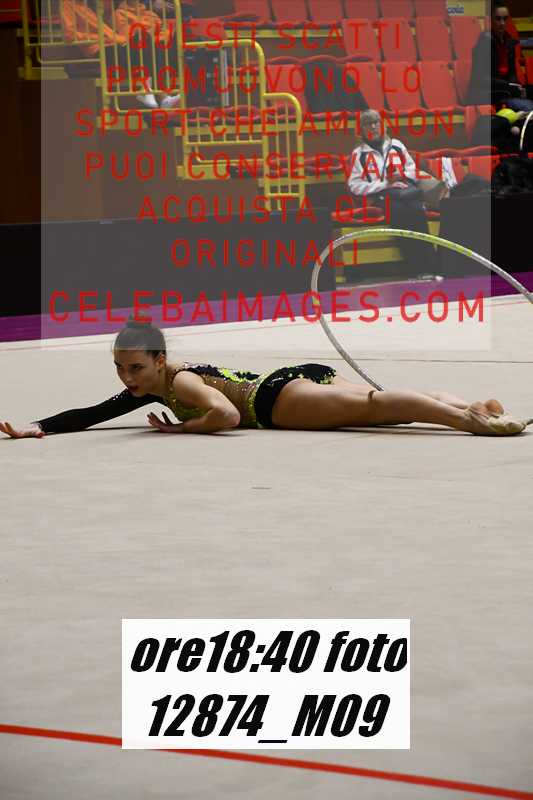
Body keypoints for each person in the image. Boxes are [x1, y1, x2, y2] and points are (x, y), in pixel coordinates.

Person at [1, 318, 531, 439]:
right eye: (120, 368)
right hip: (289, 381)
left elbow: (226, 414)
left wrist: (182, 429)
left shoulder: (180, 384)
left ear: (160, 360)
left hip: (274, 401)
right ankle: (472, 404)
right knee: (381, 401)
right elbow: (96, 412)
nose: (127, 377)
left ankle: (470, 422)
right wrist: (38, 426)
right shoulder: (156, 383)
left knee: (377, 406)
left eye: (135, 367)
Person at [347, 109, 440, 279]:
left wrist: (401, 175)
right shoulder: (358, 154)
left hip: (405, 191)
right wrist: (384, 184)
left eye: (376, 122)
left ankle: (432, 266)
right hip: (381, 197)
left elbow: (412, 169)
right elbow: (355, 185)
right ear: (361, 130)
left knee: (417, 210)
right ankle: (414, 268)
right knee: (399, 211)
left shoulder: (397, 145)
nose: (373, 127)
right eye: (368, 124)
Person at [467, 3, 533, 111]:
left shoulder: (509, 42)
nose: (502, 23)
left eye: (505, 19)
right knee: (527, 106)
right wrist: (509, 86)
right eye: (498, 19)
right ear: (491, 20)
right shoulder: (483, 44)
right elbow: (481, 79)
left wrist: (518, 87)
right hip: (488, 92)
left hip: (506, 90)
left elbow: (512, 74)